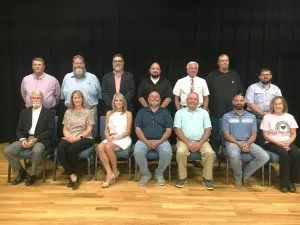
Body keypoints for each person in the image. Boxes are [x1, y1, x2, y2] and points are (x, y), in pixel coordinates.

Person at [4, 91, 54, 186]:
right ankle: (21, 172)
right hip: (26, 138)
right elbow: (19, 129)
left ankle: (32, 175)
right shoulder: (25, 112)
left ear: (42, 99)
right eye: (34, 98)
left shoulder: (48, 113)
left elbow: (50, 131)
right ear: (31, 99)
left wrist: (36, 139)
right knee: (8, 151)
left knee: (37, 150)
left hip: (41, 140)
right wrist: (22, 139)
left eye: (38, 98)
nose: (36, 100)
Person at [222, 94, 269, 188]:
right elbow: (226, 135)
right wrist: (239, 143)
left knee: (265, 157)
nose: (239, 102)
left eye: (241, 100)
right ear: (233, 102)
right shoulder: (226, 116)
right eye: (237, 100)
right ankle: (238, 177)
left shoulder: (251, 116)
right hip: (233, 142)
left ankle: (246, 174)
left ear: (244, 102)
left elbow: (254, 135)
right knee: (234, 155)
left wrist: (247, 143)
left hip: (248, 142)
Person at [174, 92, 215, 189]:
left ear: (199, 101)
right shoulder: (179, 113)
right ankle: (182, 178)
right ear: (186, 100)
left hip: (202, 141)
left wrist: (200, 143)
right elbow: (177, 130)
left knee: (210, 153)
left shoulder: (204, 113)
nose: (192, 101)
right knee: (180, 152)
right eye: (190, 99)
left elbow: (208, 129)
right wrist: (188, 143)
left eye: (195, 99)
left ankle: (207, 179)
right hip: (183, 141)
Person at [206, 54, 244, 155]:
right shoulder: (211, 76)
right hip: (215, 112)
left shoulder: (234, 75)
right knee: (215, 136)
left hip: (231, 114)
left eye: (226, 61)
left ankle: (226, 155)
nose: (225, 62)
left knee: (230, 136)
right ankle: (213, 155)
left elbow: (240, 92)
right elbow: (205, 93)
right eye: (222, 61)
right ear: (218, 63)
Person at [260, 96, 300, 193]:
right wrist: (279, 143)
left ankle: (291, 181)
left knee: (296, 154)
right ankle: (284, 184)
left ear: (283, 105)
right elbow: (265, 135)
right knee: (284, 154)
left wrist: (288, 142)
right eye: (276, 104)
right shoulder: (267, 117)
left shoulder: (289, 117)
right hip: (271, 143)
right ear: (273, 105)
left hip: (287, 142)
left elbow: (294, 134)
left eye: (280, 104)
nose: (278, 106)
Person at [57, 90, 94, 190]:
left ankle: (77, 172)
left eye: (79, 97)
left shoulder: (88, 112)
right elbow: (65, 128)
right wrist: (68, 136)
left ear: (82, 99)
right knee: (60, 149)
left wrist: (78, 138)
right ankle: (72, 175)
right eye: (75, 98)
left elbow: (89, 129)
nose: (77, 100)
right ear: (72, 100)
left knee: (71, 150)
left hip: (85, 137)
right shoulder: (68, 112)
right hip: (70, 136)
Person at [134, 91, 173, 186]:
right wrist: (146, 141)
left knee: (167, 152)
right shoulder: (141, 112)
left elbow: (169, 130)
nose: (154, 98)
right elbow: (137, 129)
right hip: (144, 140)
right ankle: (146, 174)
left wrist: (160, 141)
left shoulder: (165, 112)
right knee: (137, 152)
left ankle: (159, 173)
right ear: (148, 99)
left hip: (161, 140)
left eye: (157, 97)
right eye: (152, 96)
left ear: (160, 100)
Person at [98, 93, 132, 188]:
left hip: (123, 138)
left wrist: (116, 138)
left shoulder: (128, 114)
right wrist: (108, 136)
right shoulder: (109, 113)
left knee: (108, 147)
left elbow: (128, 131)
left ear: (123, 102)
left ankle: (115, 170)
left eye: (120, 100)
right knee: (100, 147)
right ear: (113, 102)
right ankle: (110, 173)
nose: (118, 102)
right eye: (116, 100)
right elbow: (106, 129)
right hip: (111, 137)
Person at [61, 55, 101, 135]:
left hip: (90, 111)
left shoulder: (93, 77)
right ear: (73, 64)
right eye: (76, 63)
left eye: (80, 63)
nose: (78, 65)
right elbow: (63, 95)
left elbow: (99, 95)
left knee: (90, 136)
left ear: (84, 64)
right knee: (71, 136)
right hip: (71, 112)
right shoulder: (67, 77)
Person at [245, 68, 282, 146]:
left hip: (272, 117)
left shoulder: (276, 89)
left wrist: (270, 115)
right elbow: (249, 103)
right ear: (259, 77)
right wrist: (263, 114)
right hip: (255, 118)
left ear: (271, 76)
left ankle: (269, 152)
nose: (265, 76)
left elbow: (280, 103)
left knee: (269, 140)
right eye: (263, 75)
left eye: (268, 75)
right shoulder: (252, 87)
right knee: (255, 139)